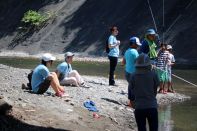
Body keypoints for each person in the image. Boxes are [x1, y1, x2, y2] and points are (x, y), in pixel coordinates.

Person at [128, 53, 159, 131]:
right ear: (148, 65)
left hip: (139, 107)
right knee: (154, 128)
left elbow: (130, 91)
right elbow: (155, 89)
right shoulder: (153, 74)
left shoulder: (133, 75)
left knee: (141, 128)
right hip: (152, 106)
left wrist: (132, 102)